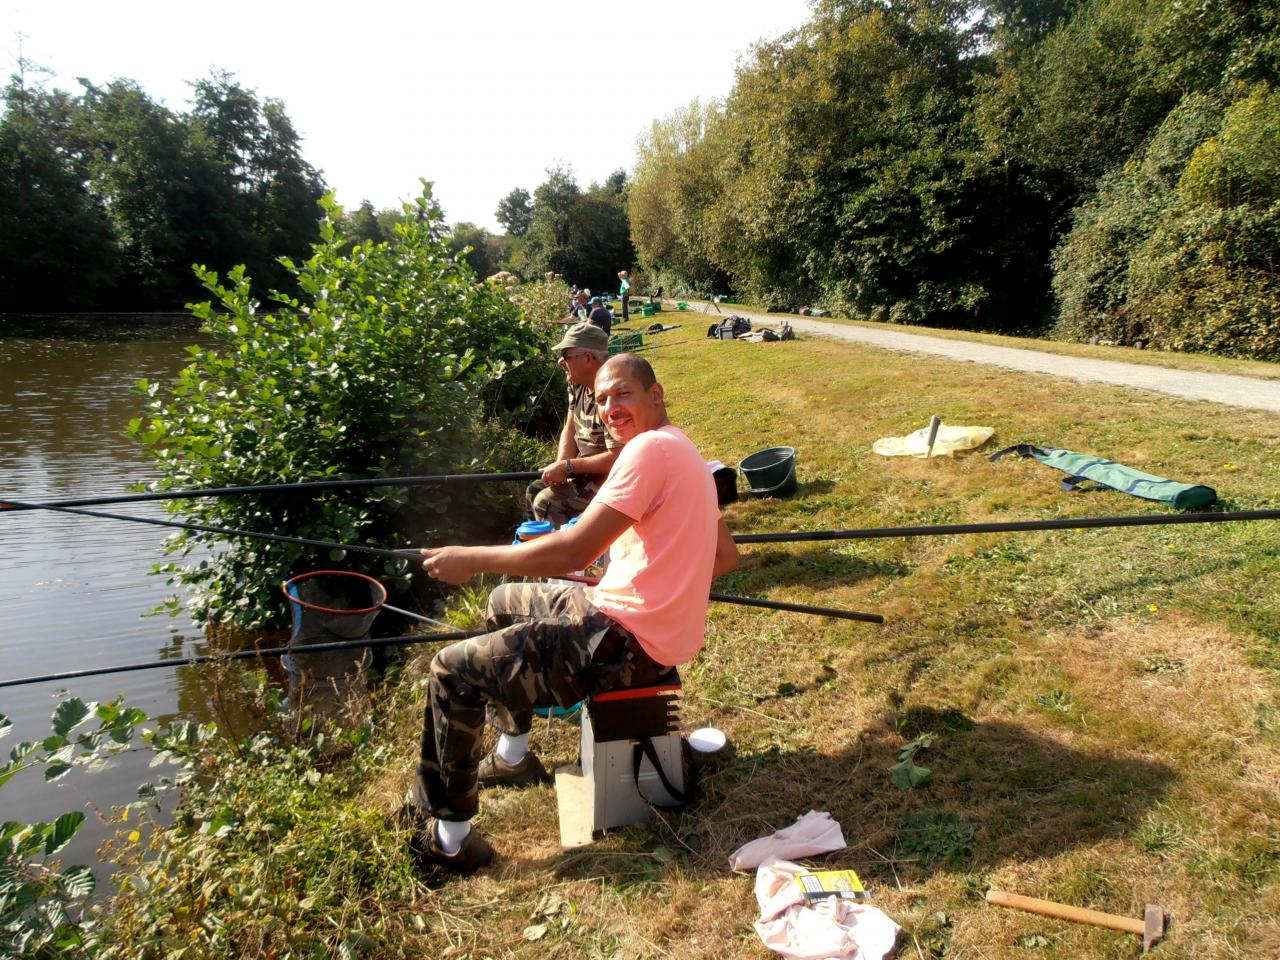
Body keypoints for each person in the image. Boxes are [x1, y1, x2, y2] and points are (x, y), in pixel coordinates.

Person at [411, 353, 740, 872]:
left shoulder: (648, 451)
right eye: (604, 398)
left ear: (656, 395)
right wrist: (659, 582)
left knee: (451, 671)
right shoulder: (684, 451)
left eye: (623, 394)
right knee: (502, 604)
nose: (610, 407)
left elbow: (570, 553)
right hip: (623, 611)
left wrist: (470, 559)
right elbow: (724, 557)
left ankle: (450, 839)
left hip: (621, 642)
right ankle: (514, 754)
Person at [524, 322, 619, 527]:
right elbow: (570, 427)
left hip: (612, 478)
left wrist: (567, 467)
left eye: (566, 355)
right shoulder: (576, 384)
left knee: (545, 502)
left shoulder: (611, 394)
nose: (560, 361)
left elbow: (619, 457)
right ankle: (542, 548)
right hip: (585, 472)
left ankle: (571, 554)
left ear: (588, 358)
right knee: (534, 489)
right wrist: (560, 470)